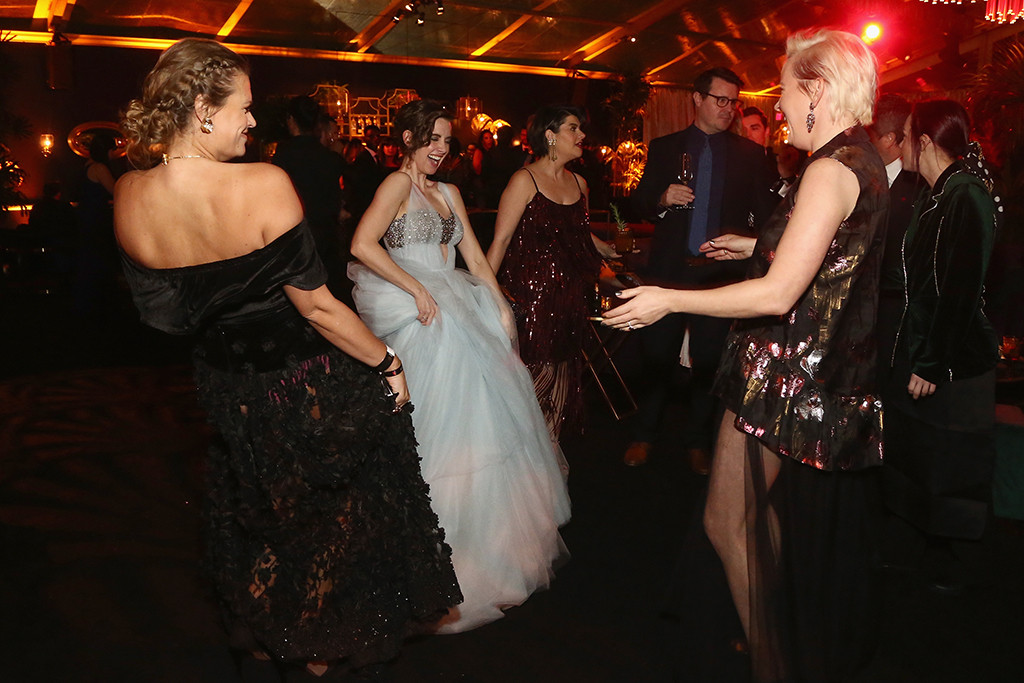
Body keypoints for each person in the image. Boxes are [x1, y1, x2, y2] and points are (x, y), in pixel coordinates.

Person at [115, 39, 461, 678]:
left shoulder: (129, 195)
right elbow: (319, 308)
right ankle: (316, 655)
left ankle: (269, 634)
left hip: (223, 387)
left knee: (261, 514)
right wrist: (388, 363)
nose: (254, 122)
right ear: (202, 109)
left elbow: (165, 316)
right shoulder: (263, 183)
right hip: (299, 385)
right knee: (330, 526)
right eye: (244, 108)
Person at [605, 29, 887, 681]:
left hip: (782, 375)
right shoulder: (860, 160)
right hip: (817, 372)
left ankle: (774, 662)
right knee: (757, 525)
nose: (778, 106)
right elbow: (827, 258)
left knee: (724, 521)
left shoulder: (826, 169)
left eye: (785, 89)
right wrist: (753, 242)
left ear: (817, 89)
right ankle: (779, 630)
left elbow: (782, 292)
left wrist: (667, 300)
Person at [347, 99, 570, 634]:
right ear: (407, 138)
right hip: (423, 319)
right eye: (432, 138)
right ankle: (432, 569)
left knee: (489, 431)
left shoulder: (448, 192)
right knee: (433, 440)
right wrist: (416, 287)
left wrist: (501, 307)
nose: (441, 149)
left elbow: (473, 254)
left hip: (462, 313)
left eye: (447, 140)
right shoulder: (395, 186)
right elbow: (361, 244)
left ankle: (495, 559)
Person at [625, 67, 779, 471]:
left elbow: (766, 218)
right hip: (670, 269)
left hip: (717, 274)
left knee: (709, 361)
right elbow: (639, 202)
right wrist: (661, 197)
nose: (728, 109)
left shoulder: (749, 154)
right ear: (698, 98)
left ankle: (698, 442)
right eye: (720, 100)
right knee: (656, 354)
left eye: (733, 101)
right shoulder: (665, 147)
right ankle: (644, 434)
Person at [882, 99, 1001, 594]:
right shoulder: (936, 192)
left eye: (907, 136)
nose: (903, 144)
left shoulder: (965, 193)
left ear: (925, 141)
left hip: (955, 361)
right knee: (922, 456)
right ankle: (923, 553)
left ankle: (951, 568)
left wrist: (931, 362)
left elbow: (961, 288)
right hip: (927, 351)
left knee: (952, 462)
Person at [486, 104, 606, 442]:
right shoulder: (524, 180)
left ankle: (548, 461)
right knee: (532, 386)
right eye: (573, 128)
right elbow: (501, 241)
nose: (581, 135)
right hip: (531, 301)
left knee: (563, 387)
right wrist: (481, 298)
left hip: (570, 300)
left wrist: (606, 254)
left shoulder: (579, 184)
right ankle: (522, 458)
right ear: (550, 136)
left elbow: (574, 234)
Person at [867, 93, 919, 388]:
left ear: (888, 138)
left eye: (869, 135)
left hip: (895, 318)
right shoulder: (858, 175)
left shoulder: (916, 188)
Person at [272, 96, 347, 299]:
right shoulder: (329, 157)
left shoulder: (283, 155)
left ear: (291, 120)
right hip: (328, 238)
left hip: (297, 238)